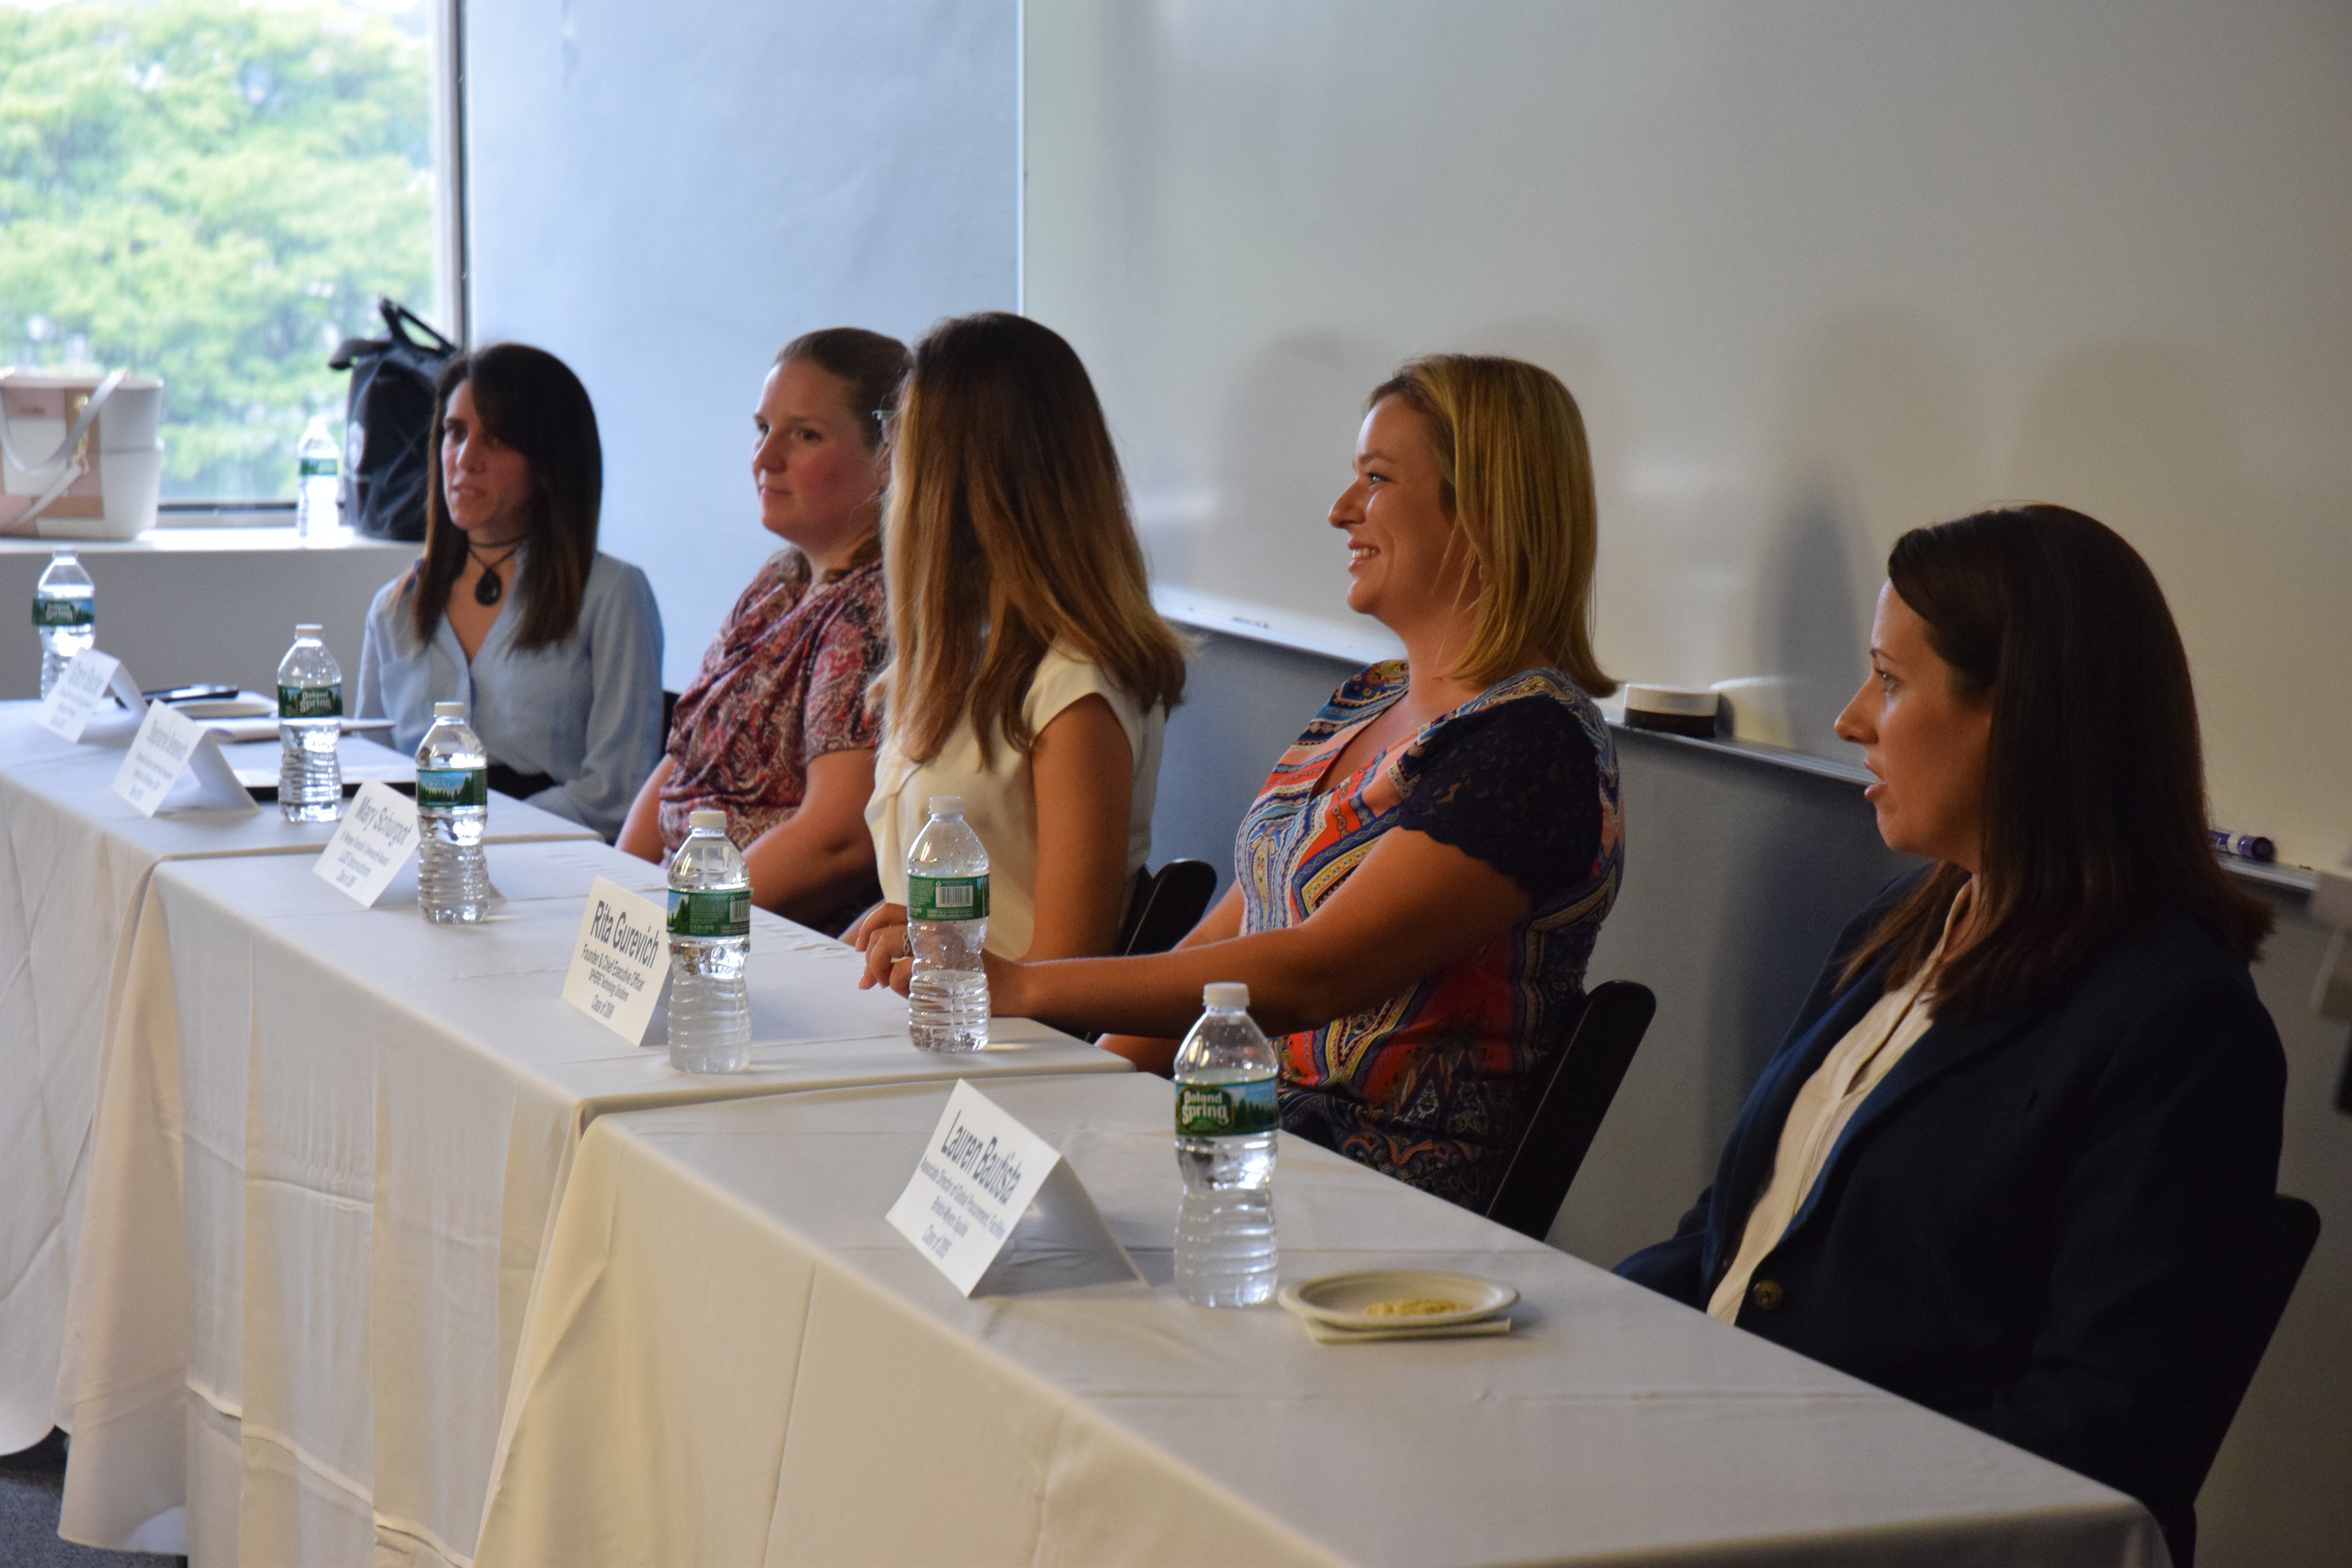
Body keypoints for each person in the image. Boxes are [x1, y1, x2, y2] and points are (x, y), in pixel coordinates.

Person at [1615, 505, 2284, 1566]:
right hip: (1732, 1470)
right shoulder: (1903, 925)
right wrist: (1575, 1333)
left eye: (1889, 682)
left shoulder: (2176, 1021)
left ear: (2021, 720)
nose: (1852, 719)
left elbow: (2103, 1429)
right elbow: (1741, 1235)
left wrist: (1774, 1477)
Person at [890, 354, 1624, 1213]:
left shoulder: (1532, 748)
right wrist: (1086, 1088)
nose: (1342, 509)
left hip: (1368, 1201)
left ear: (1485, 513)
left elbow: (1315, 971)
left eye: (1377, 479)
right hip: (1227, 1145)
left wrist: (1023, 985)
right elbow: (1231, 932)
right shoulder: (1366, 699)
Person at [848, 312, 1189, 965]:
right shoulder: (949, 657)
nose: (888, 467)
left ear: (952, 476)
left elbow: (1067, 964)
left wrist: (927, 948)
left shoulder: (1077, 682)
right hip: (928, 1006)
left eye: (900, 436)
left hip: (994, 1026)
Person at [616, 328, 906, 935]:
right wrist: (616, 902)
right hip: (678, 914)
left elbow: (836, 839)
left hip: (747, 940)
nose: (764, 458)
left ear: (887, 458)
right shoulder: (779, 582)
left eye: (806, 435)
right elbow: (684, 765)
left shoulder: (873, 610)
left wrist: (678, 927)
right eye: (762, 429)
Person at [357, 343, 662, 841]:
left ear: (548, 463)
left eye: (497, 439)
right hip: (422, 857)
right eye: (455, 433)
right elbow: (371, 776)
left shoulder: (612, 595)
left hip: (551, 858)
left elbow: (615, 795)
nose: (465, 459)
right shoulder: (395, 606)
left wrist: (471, 830)